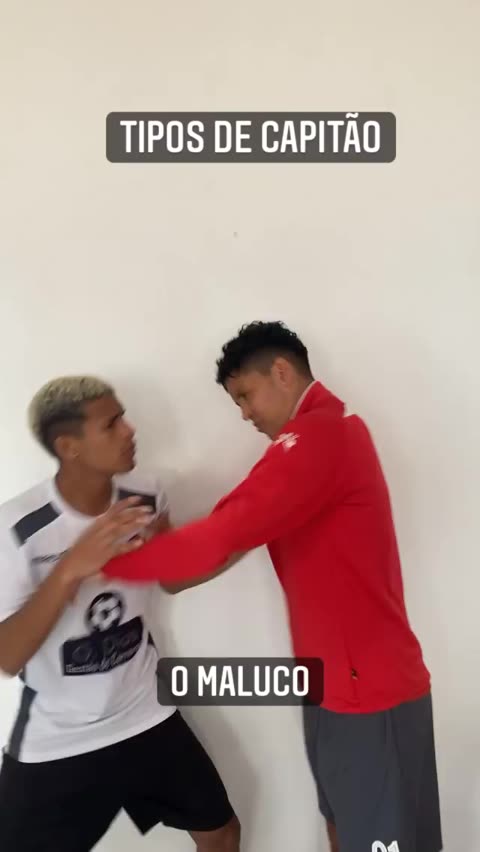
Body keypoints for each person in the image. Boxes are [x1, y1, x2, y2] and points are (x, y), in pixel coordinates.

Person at [103, 321, 443, 852]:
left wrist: (108, 565)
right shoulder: (308, 446)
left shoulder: (319, 438)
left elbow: (224, 535)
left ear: (282, 372)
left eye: (245, 394)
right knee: (345, 828)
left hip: (369, 692)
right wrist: (163, 554)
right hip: (333, 686)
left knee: (375, 837)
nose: (244, 413)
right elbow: (233, 531)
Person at [0, 376, 240, 852]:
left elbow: (171, 577)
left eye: (123, 417)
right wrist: (70, 569)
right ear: (68, 446)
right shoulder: (18, 528)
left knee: (221, 831)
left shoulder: (145, 496)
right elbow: (7, 657)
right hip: (59, 736)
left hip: (144, 712)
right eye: (111, 424)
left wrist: (249, 534)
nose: (130, 430)